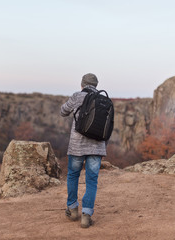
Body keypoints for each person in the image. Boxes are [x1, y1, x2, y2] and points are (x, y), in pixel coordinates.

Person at [60, 73, 106, 228]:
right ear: (96, 85)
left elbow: (63, 111)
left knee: (73, 176)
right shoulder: (104, 99)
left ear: (82, 84)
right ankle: (86, 215)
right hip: (97, 146)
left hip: (77, 146)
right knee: (91, 180)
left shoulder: (77, 96)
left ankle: (72, 209)